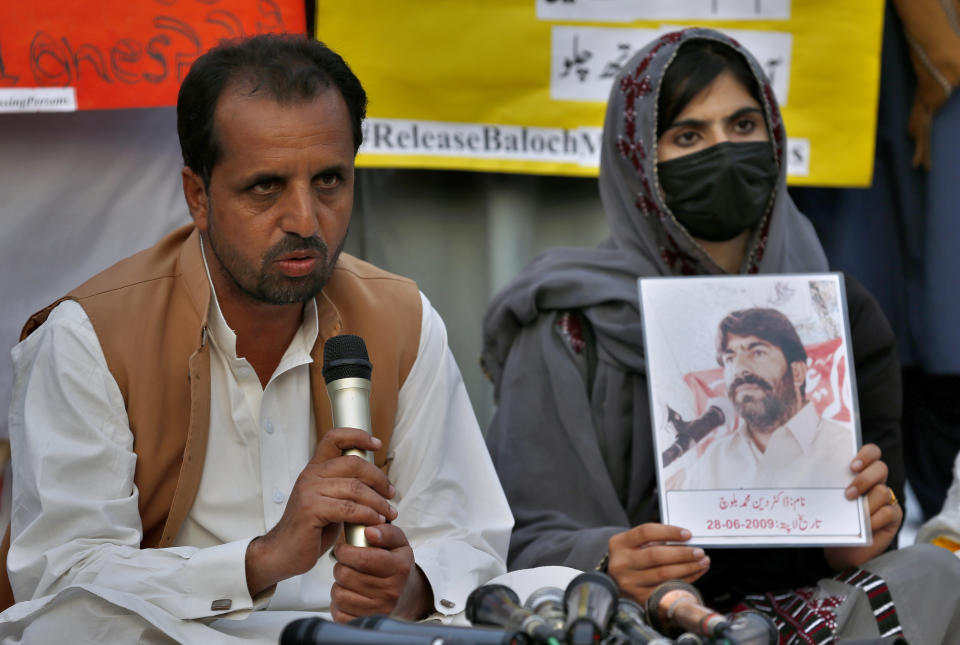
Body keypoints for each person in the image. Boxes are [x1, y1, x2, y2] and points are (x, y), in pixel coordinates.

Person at [2, 34, 512, 634]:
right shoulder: (90, 337)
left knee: (550, 589)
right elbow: (64, 577)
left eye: (329, 181)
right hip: (180, 633)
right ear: (199, 196)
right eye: (265, 187)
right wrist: (261, 560)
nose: (304, 220)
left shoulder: (401, 317)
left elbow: (468, 538)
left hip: (354, 637)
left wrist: (407, 588)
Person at [482, 28, 960, 642]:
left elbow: (865, 526)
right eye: (688, 135)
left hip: (815, 617)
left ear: (774, 138)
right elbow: (518, 532)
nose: (724, 151)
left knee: (932, 573)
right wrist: (608, 560)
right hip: (633, 620)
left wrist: (855, 539)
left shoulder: (836, 315)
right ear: (639, 163)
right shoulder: (573, 324)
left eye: (742, 127)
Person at [682, 307, 855, 490]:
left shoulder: (846, 451)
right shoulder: (713, 461)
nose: (740, 369)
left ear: (797, 372)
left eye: (758, 353)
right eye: (730, 359)